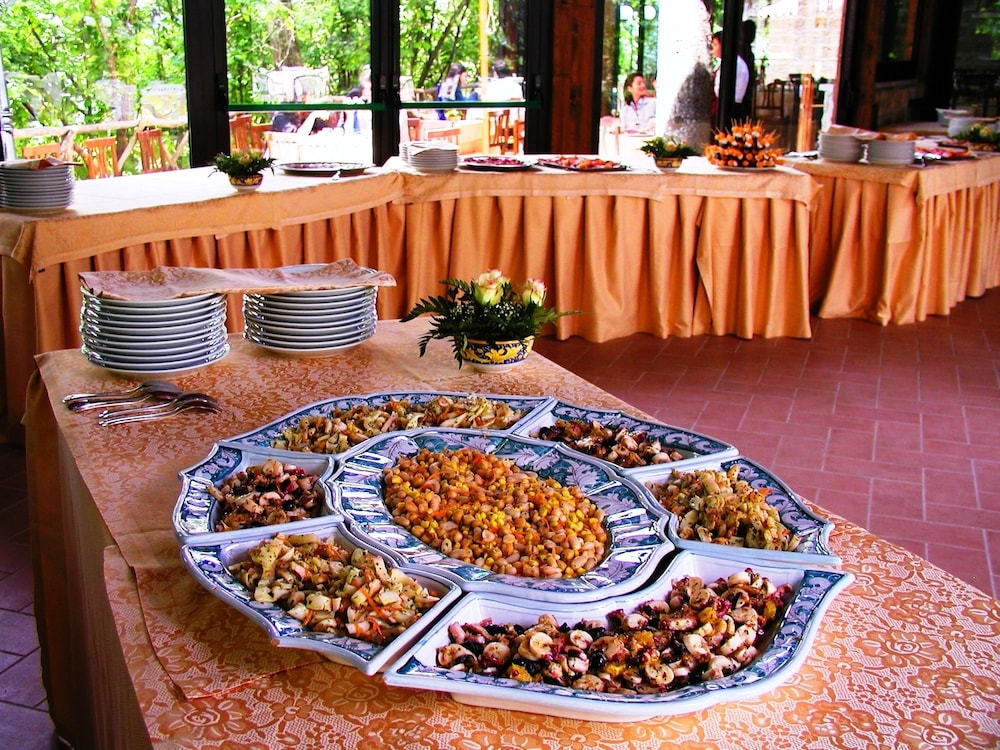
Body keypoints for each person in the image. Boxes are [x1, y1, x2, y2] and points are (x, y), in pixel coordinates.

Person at [711, 31, 750, 118]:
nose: (713, 48)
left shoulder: (734, 63)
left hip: (729, 107)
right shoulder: (728, 62)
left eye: (715, 44)